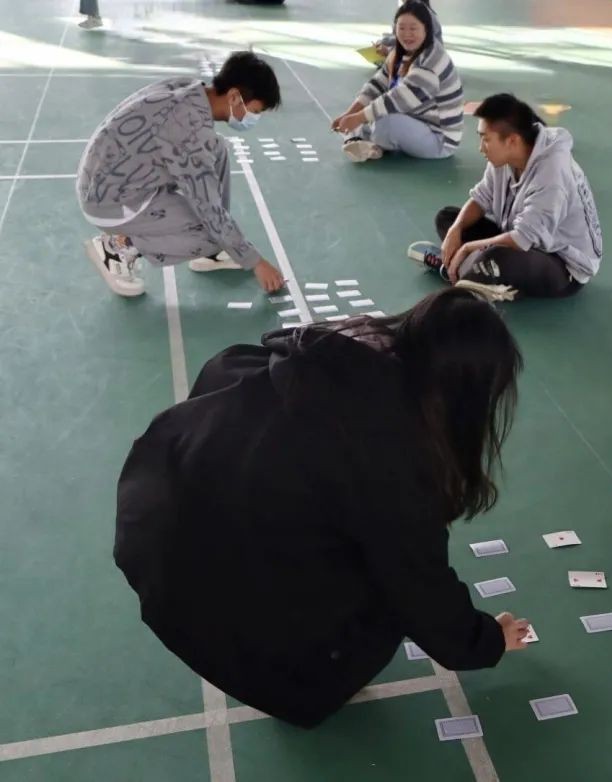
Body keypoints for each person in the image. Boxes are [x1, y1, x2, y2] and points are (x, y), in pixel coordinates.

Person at [114, 289, 530, 728]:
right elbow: (419, 588)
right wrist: (487, 640)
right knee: (380, 597)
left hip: (155, 546)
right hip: (224, 618)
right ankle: (291, 680)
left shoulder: (310, 357)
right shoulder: (391, 462)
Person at [77, 52, 285, 298]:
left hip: (104, 179)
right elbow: (209, 211)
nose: (254, 118)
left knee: (216, 148)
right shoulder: (189, 130)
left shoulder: (190, 89)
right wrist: (255, 261)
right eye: (255, 111)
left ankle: (214, 253)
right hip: (111, 203)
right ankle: (117, 248)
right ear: (233, 97)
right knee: (213, 231)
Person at [407, 93, 602, 302]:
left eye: (485, 139)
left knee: (498, 257)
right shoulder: (505, 157)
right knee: (448, 218)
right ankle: (471, 271)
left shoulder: (552, 176)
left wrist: (467, 247)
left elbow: (521, 239)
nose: (480, 147)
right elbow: (481, 197)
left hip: (562, 266)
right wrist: (456, 230)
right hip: (518, 236)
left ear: (512, 141)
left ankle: (457, 269)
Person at [331, 1, 462, 163]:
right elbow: (377, 84)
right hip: (415, 121)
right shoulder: (400, 52)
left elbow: (398, 100)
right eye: (401, 28)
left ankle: (370, 141)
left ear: (426, 29)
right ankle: (365, 140)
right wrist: (350, 113)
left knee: (384, 122)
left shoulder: (431, 61)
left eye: (413, 28)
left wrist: (357, 118)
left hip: (439, 140)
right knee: (370, 114)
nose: (407, 34)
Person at [365, 0, 443, 65]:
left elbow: (418, 48)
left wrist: (389, 51)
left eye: (413, 28)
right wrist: (383, 42)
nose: (407, 33)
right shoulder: (406, 10)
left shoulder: (424, 14)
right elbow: (398, 37)